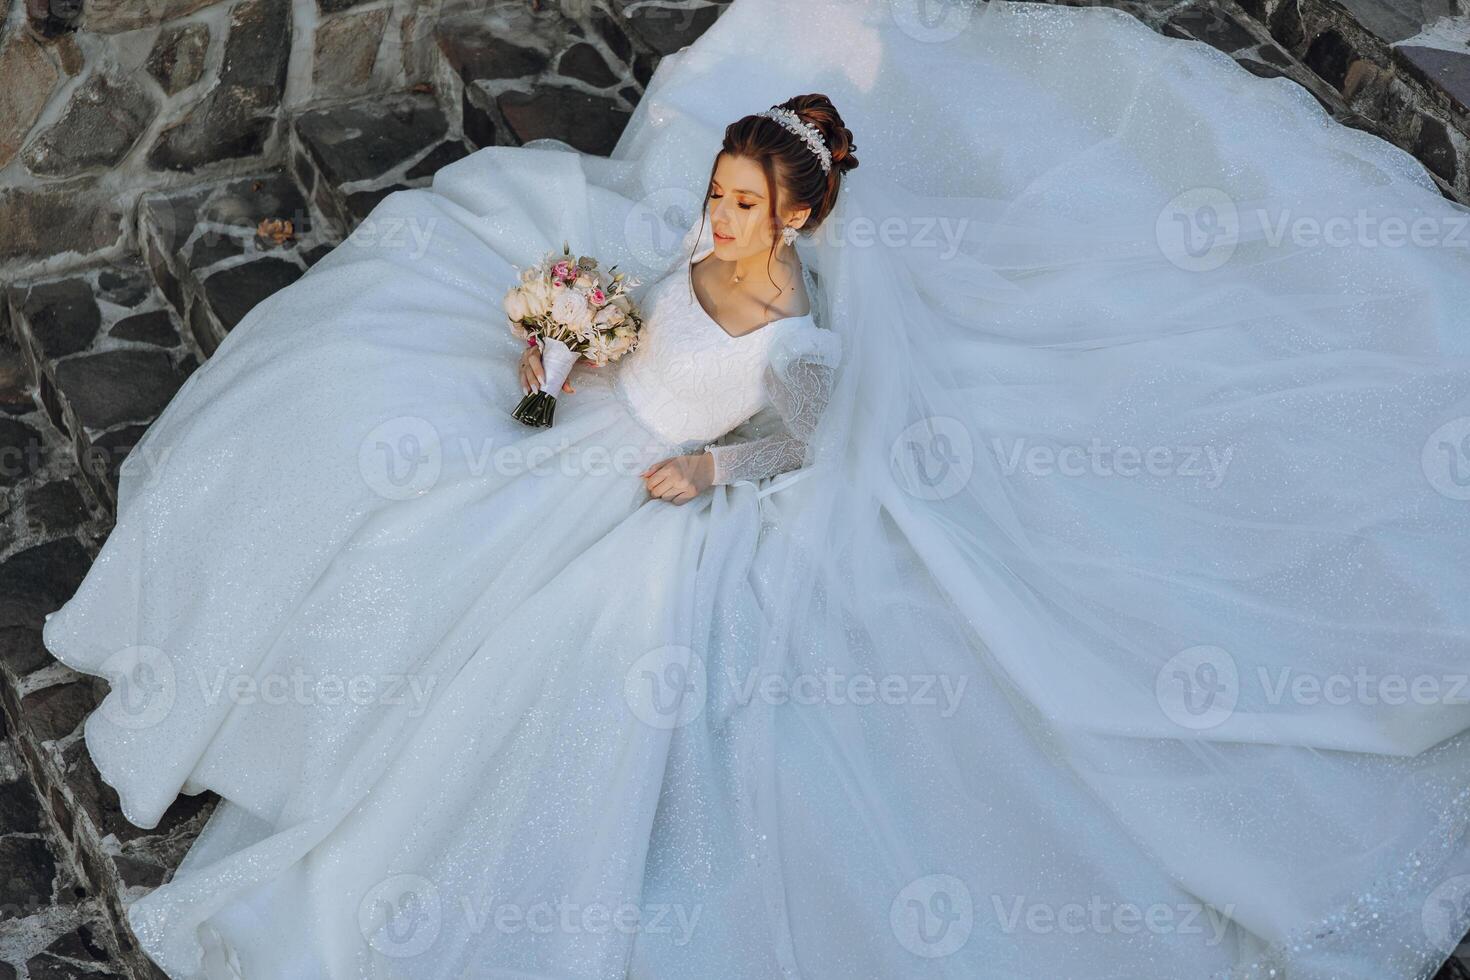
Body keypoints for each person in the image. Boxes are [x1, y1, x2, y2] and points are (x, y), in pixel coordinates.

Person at [39, 0, 1470, 977]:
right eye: (714, 191)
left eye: (737, 203)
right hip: (596, 419)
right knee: (381, 483)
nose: (713, 216)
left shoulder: (799, 332)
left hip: (661, 481)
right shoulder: (699, 260)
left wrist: (698, 469)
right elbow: (654, 298)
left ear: (793, 220)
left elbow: (792, 444)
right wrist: (577, 329)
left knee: (545, 676)